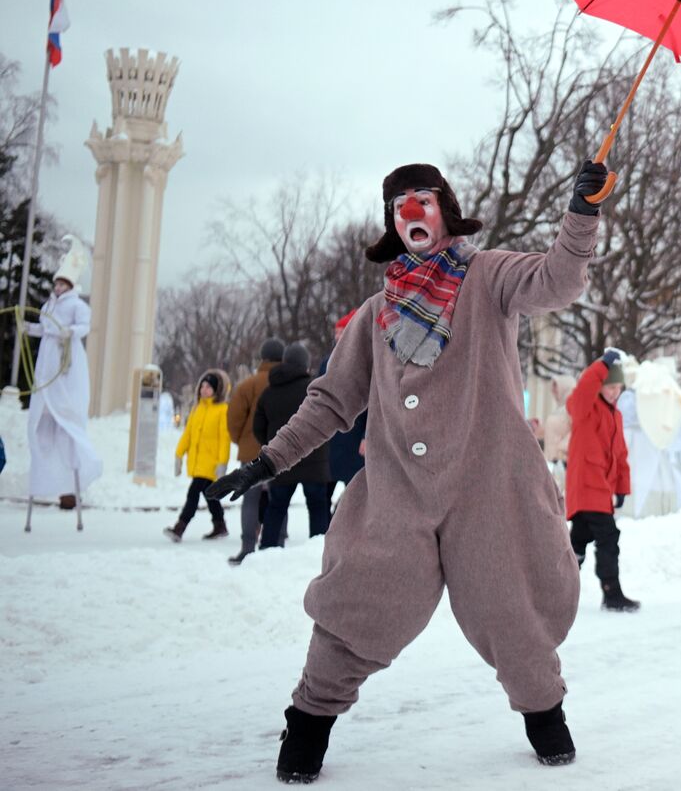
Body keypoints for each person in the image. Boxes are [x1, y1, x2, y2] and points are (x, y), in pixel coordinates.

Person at [207, 161, 606, 781]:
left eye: (423, 199)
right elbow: (332, 401)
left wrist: (581, 215)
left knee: (514, 612)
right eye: (399, 205)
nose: (412, 211)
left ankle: (545, 718)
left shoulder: (489, 276)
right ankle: (308, 724)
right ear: (393, 224)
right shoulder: (376, 312)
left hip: (489, 489)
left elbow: (556, 280)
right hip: (399, 495)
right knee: (358, 604)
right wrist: (268, 460)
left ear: (445, 209)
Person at [25, 236, 102, 511]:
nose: (58, 287)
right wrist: (28, 328)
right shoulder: (49, 305)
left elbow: (84, 326)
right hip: (46, 365)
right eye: (56, 283)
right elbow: (44, 327)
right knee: (44, 427)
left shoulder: (76, 306)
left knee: (67, 426)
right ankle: (50, 481)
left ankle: (71, 486)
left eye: (62, 284)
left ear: (69, 286)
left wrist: (70, 333)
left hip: (65, 364)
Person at [566, 349, 639, 611]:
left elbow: (620, 454)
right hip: (587, 485)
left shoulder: (616, 416)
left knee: (578, 542)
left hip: (600, 489)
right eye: (609, 386)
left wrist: (621, 488)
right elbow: (585, 387)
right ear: (600, 385)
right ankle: (612, 593)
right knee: (608, 537)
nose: (614, 392)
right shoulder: (585, 408)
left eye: (618, 387)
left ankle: (557, 592)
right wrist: (602, 364)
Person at [255, 342, 333, 547]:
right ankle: (318, 549)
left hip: (282, 460)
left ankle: (267, 548)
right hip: (314, 459)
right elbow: (327, 421)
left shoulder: (269, 392)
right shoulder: (314, 390)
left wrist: (273, 444)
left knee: (277, 506)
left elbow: (257, 426)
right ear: (306, 364)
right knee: (317, 506)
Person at [226, 337, 285, 565]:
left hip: (251, 452)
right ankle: (278, 543)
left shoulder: (248, 385)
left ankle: (247, 547)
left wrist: (240, 440)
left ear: (262, 357)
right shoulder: (286, 382)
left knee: (249, 500)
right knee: (277, 499)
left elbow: (234, 419)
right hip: (282, 451)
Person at [166, 370, 231, 542]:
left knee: (193, 494)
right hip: (197, 462)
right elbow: (188, 434)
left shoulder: (222, 410)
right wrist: (179, 454)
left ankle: (180, 527)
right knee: (210, 495)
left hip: (210, 463)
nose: (204, 389)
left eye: (208, 387)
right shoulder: (197, 408)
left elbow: (225, 439)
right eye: (202, 386)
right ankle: (220, 525)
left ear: (217, 390)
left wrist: (222, 463)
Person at [320, 312, 368, 509]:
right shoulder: (327, 362)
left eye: (342, 332)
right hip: (331, 435)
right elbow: (318, 397)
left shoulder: (366, 359)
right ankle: (324, 533)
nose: (338, 336)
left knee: (356, 490)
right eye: (336, 332)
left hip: (355, 435)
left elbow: (375, 402)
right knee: (324, 490)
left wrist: (367, 436)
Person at [542, 374, 575, 495]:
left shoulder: (572, 407)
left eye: (557, 387)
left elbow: (576, 431)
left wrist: (561, 448)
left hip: (564, 462)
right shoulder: (560, 408)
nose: (554, 391)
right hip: (553, 463)